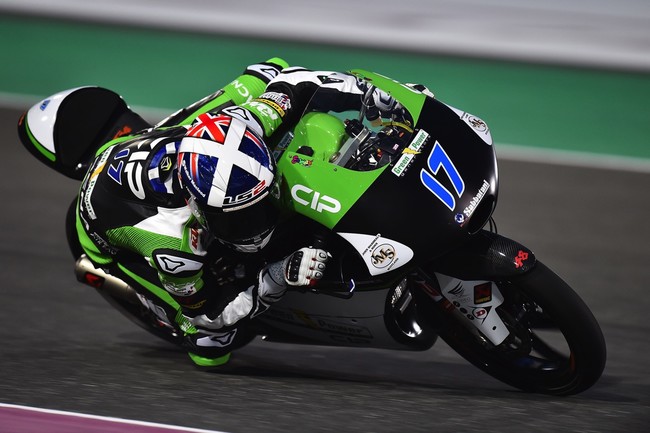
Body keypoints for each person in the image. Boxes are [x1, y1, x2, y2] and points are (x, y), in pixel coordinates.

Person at [76, 57, 405, 367]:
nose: (256, 225)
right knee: (210, 344)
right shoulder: (173, 246)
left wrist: (370, 95)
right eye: (238, 218)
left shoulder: (245, 123)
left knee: (269, 71)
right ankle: (111, 272)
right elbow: (209, 315)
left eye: (260, 204)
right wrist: (277, 276)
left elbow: (299, 80)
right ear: (197, 206)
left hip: (166, 147)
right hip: (102, 224)